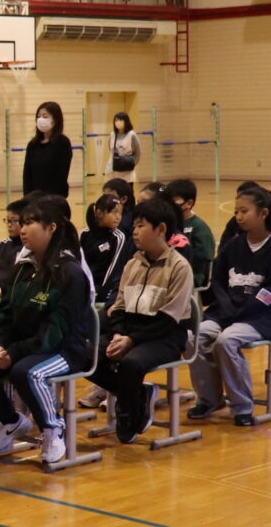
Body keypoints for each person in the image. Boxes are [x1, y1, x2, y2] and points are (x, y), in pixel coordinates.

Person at [0, 194, 95, 465]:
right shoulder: (24, 267)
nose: (22, 228)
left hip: (65, 349)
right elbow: (5, 311)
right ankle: (8, 422)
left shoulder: (70, 273)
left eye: (30, 222)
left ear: (51, 228)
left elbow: (56, 330)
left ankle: (53, 429)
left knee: (26, 372)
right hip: (25, 346)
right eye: (22, 222)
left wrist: (14, 352)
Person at [189, 185, 271, 426]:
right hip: (227, 313)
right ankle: (210, 399)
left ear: (263, 213)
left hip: (265, 317)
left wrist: (242, 311)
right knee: (192, 337)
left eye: (244, 211)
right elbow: (218, 282)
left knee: (226, 340)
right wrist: (226, 305)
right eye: (236, 211)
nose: (238, 216)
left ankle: (242, 406)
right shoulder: (233, 246)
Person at [90, 198, 194, 443]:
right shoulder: (133, 264)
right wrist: (118, 335)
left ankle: (128, 414)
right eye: (134, 226)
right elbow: (118, 307)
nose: (134, 231)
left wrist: (130, 341)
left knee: (132, 364)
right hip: (130, 332)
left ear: (160, 229)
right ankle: (136, 392)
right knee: (87, 355)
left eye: (141, 226)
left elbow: (169, 319)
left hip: (164, 336)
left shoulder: (179, 267)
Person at [79, 193, 134, 300]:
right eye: (114, 212)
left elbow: (113, 271)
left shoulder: (118, 237)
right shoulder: (84, 234)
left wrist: (98, 294)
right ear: (99, 213)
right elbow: (79, 263)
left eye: (120, 213)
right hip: (84, 286)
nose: (118, 217)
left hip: (102, 292)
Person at [165, 179, 216, 287]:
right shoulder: (168, 223)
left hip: (192, 275)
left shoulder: (200, 228)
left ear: (189, 203)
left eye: (174, 201)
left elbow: (204, 260)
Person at [22, 101, 73, 200]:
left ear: (56, 119)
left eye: (45, 116)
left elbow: (62, 174)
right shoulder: (32, 144)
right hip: (33, 197)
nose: (41, 119)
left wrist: (49, 197)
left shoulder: (63, 143)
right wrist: (27, 196)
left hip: (55, 197)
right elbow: (27, 173)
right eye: (39, 116)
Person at [0, 199, 28, 303]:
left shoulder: (29, 249)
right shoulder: (2, 246)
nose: (9, 225)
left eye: (14, 221)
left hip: (14, 298)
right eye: (7, 220)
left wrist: (4, 292)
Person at [109, 112, 141, 177]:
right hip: (115, 169)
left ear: (126, 121)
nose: (118, 122)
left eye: (120, 120)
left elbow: (138, 151)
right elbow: (110, 148)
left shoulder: (132, 135)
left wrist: (133, 163)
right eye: (116, 120)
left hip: (128, 171)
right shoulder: (112, 135)